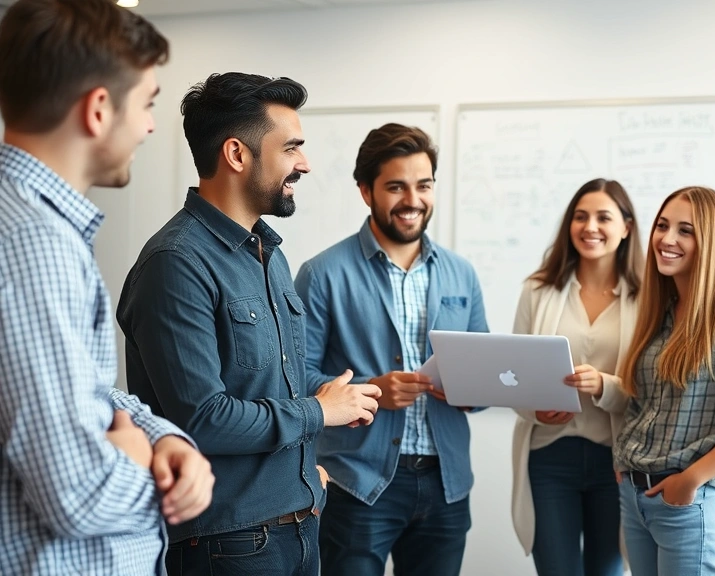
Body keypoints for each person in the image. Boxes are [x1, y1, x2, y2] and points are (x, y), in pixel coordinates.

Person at [117, 72, 381, 576]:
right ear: (237, 154)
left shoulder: (268, 253)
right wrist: (319, 411)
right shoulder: (176, 263)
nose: (305, 163)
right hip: (230, 545)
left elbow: (267, 384)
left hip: (298, 526)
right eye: (291, 148)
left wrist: (320, 418)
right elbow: (204, 418)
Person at [0, 1, 215, 574]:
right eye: (146, 103)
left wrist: (161, 438)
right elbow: (77, 490)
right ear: (99, 110)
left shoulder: (36, 227)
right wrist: (155, 472)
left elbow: (87, 393)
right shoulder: (34, 243)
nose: (150, 125)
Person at [295, 123, 488, 576]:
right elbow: (296, 377)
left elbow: (485, 378)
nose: (412, 199)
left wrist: (468, 389)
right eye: (396, 186)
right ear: (366, 191)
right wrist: (373, 391)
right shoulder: (321, 274)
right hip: (356, 483)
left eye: (424, 185)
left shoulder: (462, 273)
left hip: (446, 483)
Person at [614, 186, 715, 576]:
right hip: (636, 495)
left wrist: (691, 479)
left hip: (691, 497)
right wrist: (624, 464)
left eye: (685, 230)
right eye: (662, 226)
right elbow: (642, 401)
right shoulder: (661, 309)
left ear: (711, 240)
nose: (667, 239)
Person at [510, 178, 644, 576]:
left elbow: (652, 390)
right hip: (549, 456)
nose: (590, 227)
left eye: (604, 217)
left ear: (626, 227)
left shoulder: (647, 297)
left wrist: (605, 386)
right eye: (580, 217)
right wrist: (536, 411)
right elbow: (513, 376)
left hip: (615, 460)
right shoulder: (538, 290)